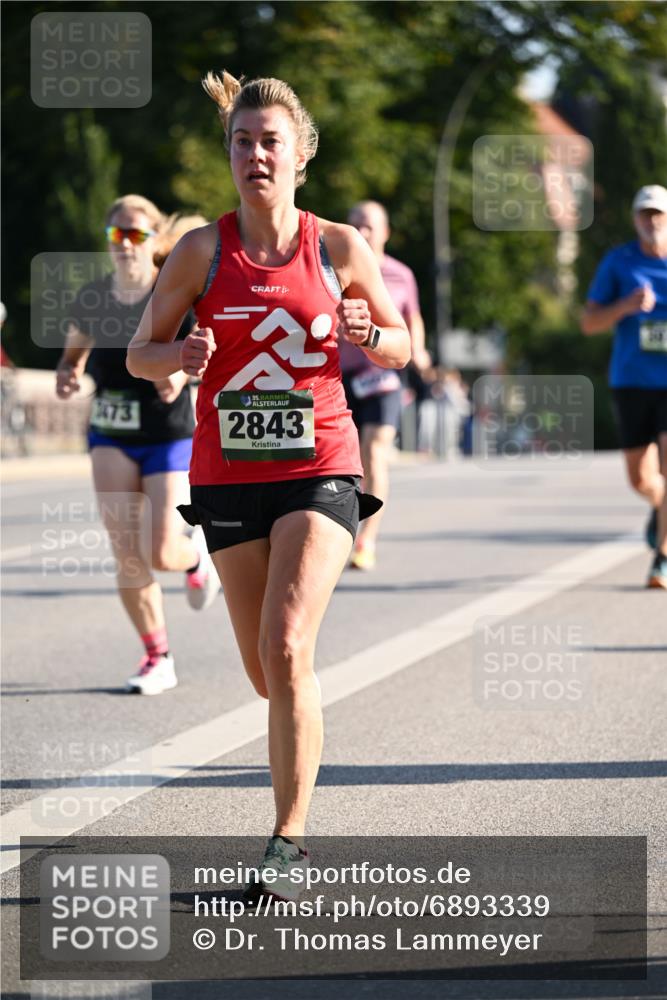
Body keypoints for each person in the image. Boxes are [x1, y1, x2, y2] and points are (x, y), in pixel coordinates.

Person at [126, 72, 410, 893]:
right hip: (225, 476)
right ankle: (300, 719)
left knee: (287, 645)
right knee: (267, 671)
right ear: (229, 154)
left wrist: (371, 331)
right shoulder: (201, 252)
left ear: (300, 157)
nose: (255, 154)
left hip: (320, 464)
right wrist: (174, 358)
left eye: (270, 141)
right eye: (243, 141)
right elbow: (141, 353)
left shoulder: (337, 248)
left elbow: (397, 346)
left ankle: (286, 842)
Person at [56, 196, 220, 695]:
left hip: (167, 432)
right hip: (110, 429)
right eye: (117, 235)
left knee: (161, 550)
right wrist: (68, 374)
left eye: (136, 234)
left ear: (153, 242)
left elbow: (204, 355)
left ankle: (194, 558)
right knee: (127, 553)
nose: (126, 244)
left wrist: (181, 377)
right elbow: (72, 356)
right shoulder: (93, 297)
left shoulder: (171, 293)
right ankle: (157, 656)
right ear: (108, 241)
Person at [581, 184, 667, 589]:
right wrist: (626, 306)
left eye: (659, 215)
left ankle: (662, 560)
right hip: (631, 380)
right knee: (640, 479)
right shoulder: (619, 262)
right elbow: (589, 322)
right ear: (635, 219)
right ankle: (659, 504)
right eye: (645, 214)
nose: (652, 222)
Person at [339, 201, 429, 570]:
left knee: (374, 450)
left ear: (386, 232)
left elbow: (412, 318)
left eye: (370, 227)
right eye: (356, 225)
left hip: (383, 376)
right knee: (347, 462)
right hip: (340, 376)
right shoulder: (335, 270)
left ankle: (367, 540)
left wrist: (418, 349)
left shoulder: (400, 274)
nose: (362, 233)